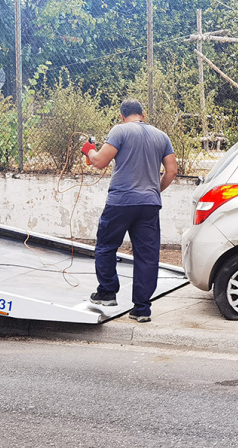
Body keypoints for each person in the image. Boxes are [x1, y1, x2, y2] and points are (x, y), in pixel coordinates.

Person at [81, 99, 178, 323]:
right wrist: (154, 190)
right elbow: (171, 171)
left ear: (122, 116)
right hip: (149, 204)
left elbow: (99, 162)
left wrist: (89, 150)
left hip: (121, 202)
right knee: (147, 256)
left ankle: (107, 293)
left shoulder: (120, 130)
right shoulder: (161, 136)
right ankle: (142, 309)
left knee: (106, 246)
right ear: (143, 114)